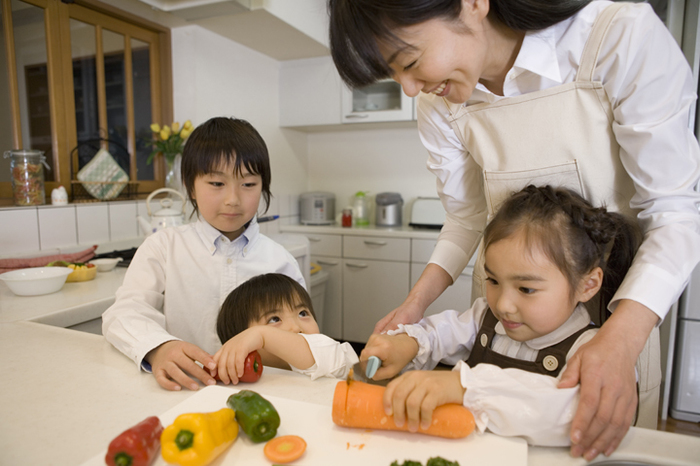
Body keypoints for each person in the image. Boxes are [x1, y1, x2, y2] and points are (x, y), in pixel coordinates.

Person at [327, 0, 700, 460]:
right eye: (394, 74)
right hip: (508, 337)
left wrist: (621, 337)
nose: (409, 89)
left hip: (621, 317)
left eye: (410, 61)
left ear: (472, 4)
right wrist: (415, 307)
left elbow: (674, 211)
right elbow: (466, 215)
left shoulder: (617, 37)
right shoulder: (438, 101)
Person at [361, 185, 642, 446]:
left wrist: (463, 387)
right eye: (493, 281)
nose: (504, 304)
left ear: (587, 285)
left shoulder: (592, 349)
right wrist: (407, 344)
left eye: (526, 288)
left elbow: (566, 409)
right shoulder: (485, 317)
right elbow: (439, 333)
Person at [102, 117, 306, 392]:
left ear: (263, 186)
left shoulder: (280, 261)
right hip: (185, 389)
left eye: (248, 184)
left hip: (266, 391)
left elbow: (309, 340)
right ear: (190, 186)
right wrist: (159, 348)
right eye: (216, 183)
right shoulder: (163, 247)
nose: (232, 199)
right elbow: (124, 312)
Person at [215, 273, 359, 382]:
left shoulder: (332, 358)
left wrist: (262, 334)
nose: (296, 328)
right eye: (274, 319)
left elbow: (327, 356)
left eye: (303, 313)